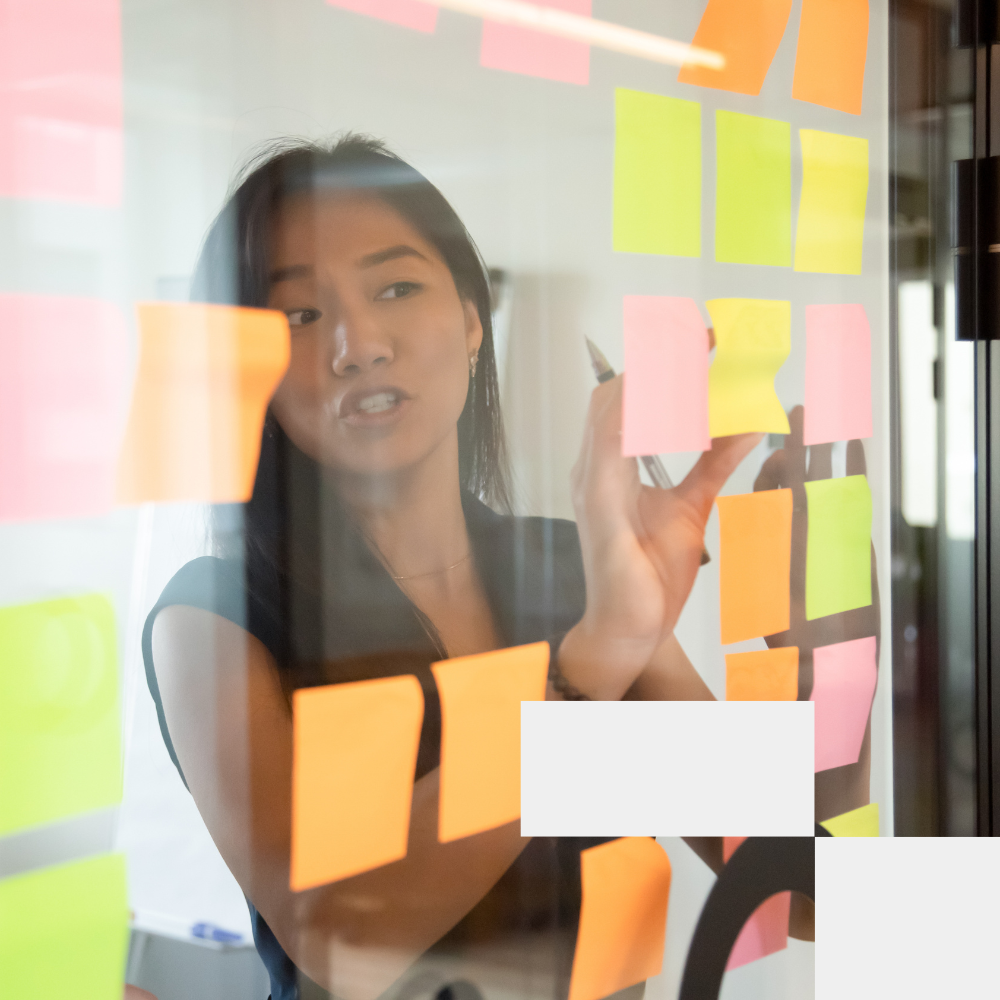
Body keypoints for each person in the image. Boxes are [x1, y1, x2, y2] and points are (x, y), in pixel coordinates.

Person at [142, 134, 767, 1000]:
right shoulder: (213, 616)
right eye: (298, 316)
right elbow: (335, 934)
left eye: (396, 288)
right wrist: (588, 668)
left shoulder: (572, 569)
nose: (359, 344)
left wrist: (822, 646)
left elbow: (791, 885)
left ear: (473, 320)